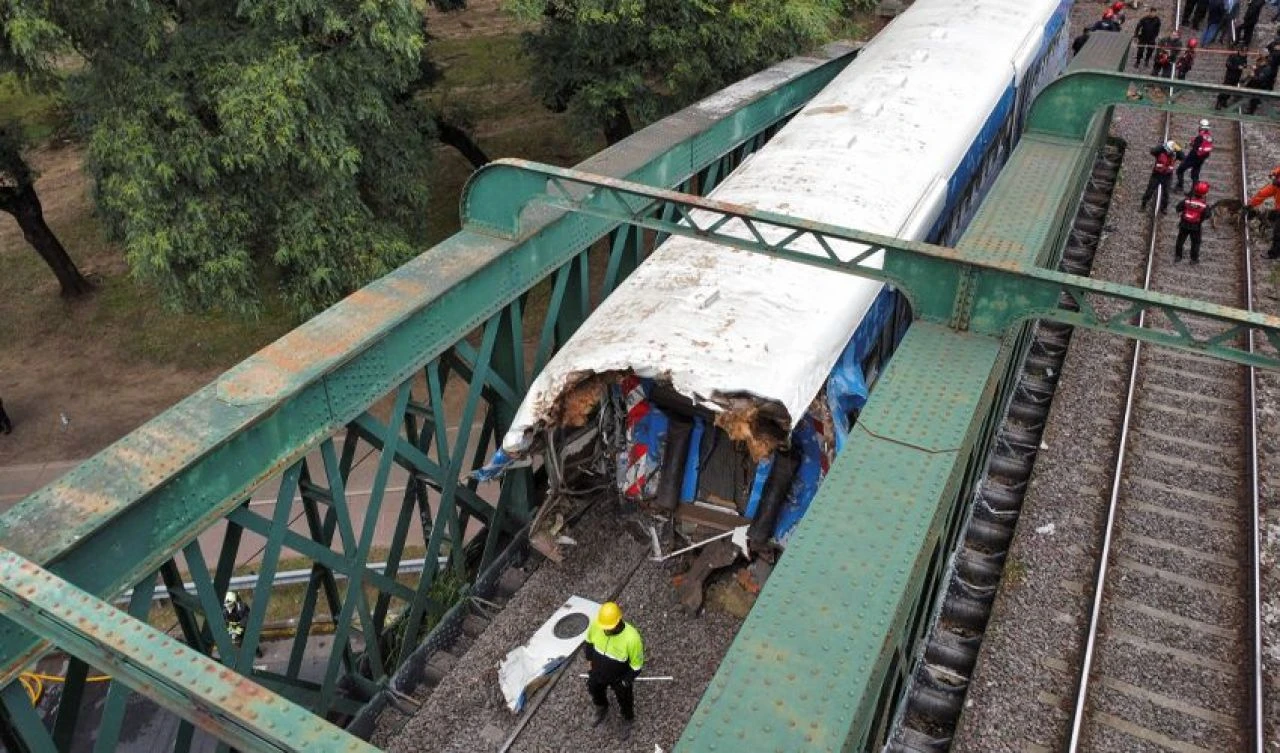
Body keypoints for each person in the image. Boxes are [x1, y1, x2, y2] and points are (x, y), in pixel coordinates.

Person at [584, 601, 644, 740]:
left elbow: (637, 665)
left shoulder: (632, 638)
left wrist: (625, 682)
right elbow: (589, 642)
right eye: (604, 627)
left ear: (618, 622)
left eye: (608, 627)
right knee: (593, 688)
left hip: (619, 677)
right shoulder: (597, 624)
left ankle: (627, 718)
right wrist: (589, 662)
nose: (605, 630)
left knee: (625, 698)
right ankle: (601, 707)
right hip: (597, 671)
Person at [1141, 140, 1183, 214]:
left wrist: (1178, 149)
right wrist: (1162, 146)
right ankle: (1143, 204)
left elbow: (1183, 157)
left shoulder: (1175, 154)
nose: (1170, 153)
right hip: (1156, 175)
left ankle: (1164, 208)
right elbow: (1152, 151)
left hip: (1167, 176)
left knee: (1166, 193)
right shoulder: (1159, 152)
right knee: (1150, 190)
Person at [1247, 165, 1280, 258]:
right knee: (1271, 217)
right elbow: (1262, 195)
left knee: (1278, 233)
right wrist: (1250, 205)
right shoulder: (1276, 185)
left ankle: (1274, 254)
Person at [1174, 182, 1211, 263]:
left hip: (1184, 224)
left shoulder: (1187, 200)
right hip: (1196, 226)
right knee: (1196, 242)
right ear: (1204, 194)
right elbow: (1208, 215)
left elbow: (1178, 207)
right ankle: (1194, 259)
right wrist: (1201, 219)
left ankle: (1178, 256)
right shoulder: (1204, 205)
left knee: (1180, 240)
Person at [222, 592, 263, 658]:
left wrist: (239, 626)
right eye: (227, 606)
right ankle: (246, 652)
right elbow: (225, 623)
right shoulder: (225, 612)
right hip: (235, 629)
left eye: (230, 605)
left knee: (251, 640)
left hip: (244, 627)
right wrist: (232, 630)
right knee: (239, 642)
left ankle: (257, 651)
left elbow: (247, 618)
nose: (229, 608)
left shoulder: (242, 607)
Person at [1176, 120, 1213, 191]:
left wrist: (1192, 144)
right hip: (1201, 159)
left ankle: (1180, 186)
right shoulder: (1209, 137)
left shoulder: (1200, 137)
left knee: (1180, 170)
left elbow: (1195, 149)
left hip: (1193, 158)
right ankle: (1193, 192)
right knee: (1195, 175)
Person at [1216, 42, 1252, 108]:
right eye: (1243, 52)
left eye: (1245, 52)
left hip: (1236, 77)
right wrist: (1237, 67)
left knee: (1230, 91)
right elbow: (1228, 65)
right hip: (1230, 76)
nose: (1244, 53)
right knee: (1225, 90)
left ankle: (1224, 101)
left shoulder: (1244, 58)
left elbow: (1244, 65)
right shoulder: (1233, 56)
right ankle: (1219, 102)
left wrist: (1245, 67)